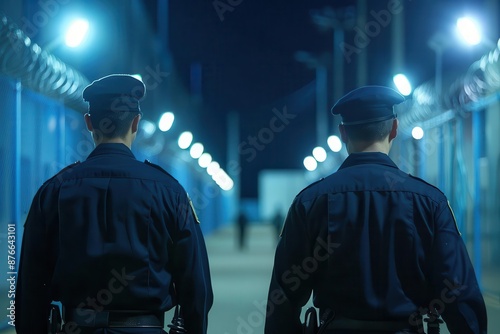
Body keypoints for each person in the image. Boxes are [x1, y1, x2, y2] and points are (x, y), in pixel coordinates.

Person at [264, 86, 487, 334]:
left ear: (343, 133)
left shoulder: (310, 202)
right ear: (394, 129)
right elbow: (458, 292)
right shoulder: (431, 201)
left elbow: (283, 296)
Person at [15, 74, 213, 334]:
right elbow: (197, 289)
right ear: (136, 123)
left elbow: (29, 287)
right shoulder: (170, 192)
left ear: (89, 122)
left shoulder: (53, 191)